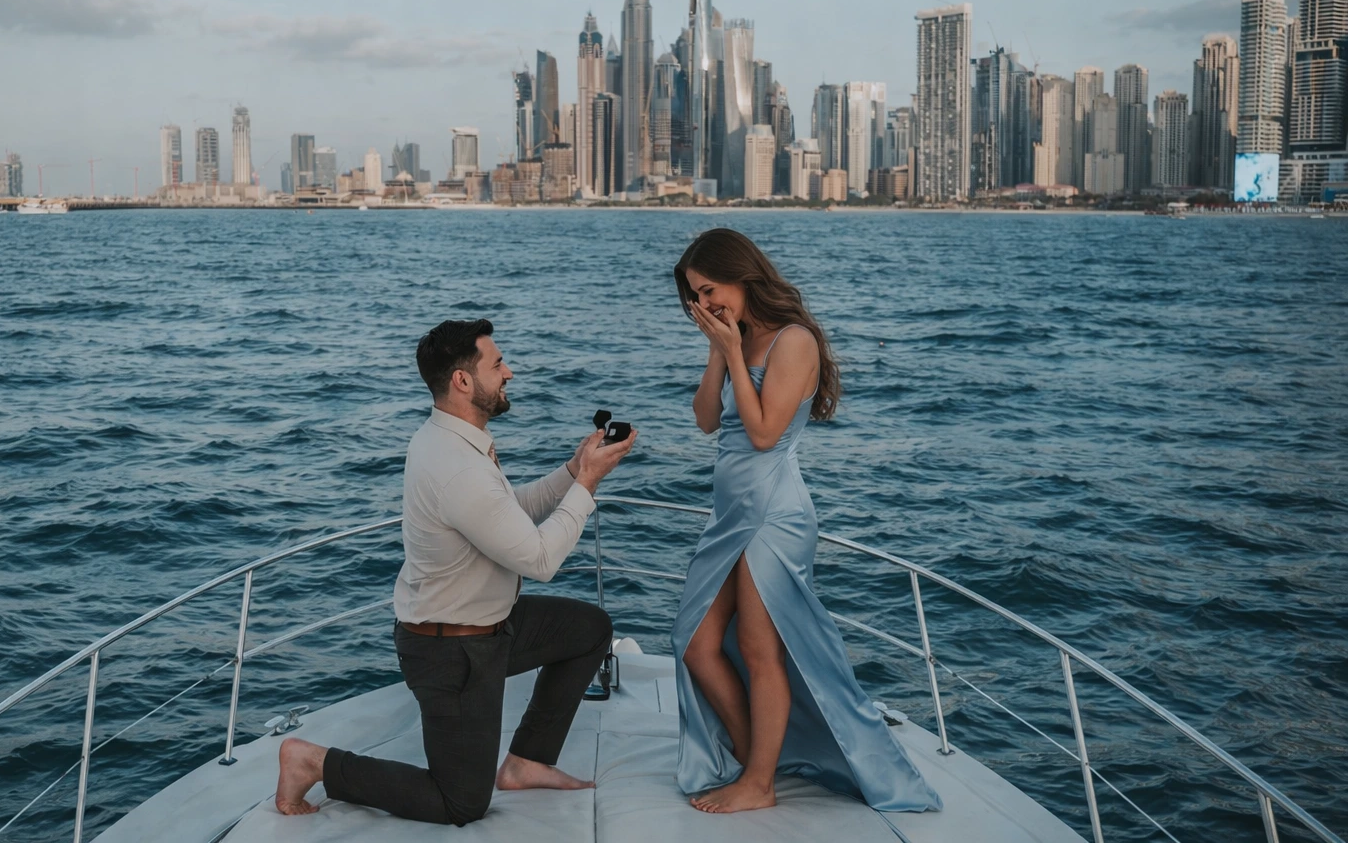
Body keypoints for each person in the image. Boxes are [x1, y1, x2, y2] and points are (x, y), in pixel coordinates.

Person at [275, 318, 637, 824]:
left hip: (492, 625)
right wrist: (589, 487)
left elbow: (509, 510)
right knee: (461, 802)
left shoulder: (455, 440)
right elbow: (539, 560)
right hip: (452, 652)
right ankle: (312, 761)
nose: (509, 372)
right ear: (463, 381)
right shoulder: (458, 467)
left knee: (588, 629)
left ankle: (527, 762)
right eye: (497, 363)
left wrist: (574, 471)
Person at [670, 228, 941, 815]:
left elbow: (765, 434)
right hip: (730, 513)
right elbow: (705, 419)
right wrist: (720, 350)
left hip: (772, 512)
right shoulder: (734, 339)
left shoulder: (794, 341)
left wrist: (736, 353)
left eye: (709, 288)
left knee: (760, 647)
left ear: (742, 275)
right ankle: (754, 758)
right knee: (693, 642)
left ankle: (759, 782)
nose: (704, 304)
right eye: (695, 296)